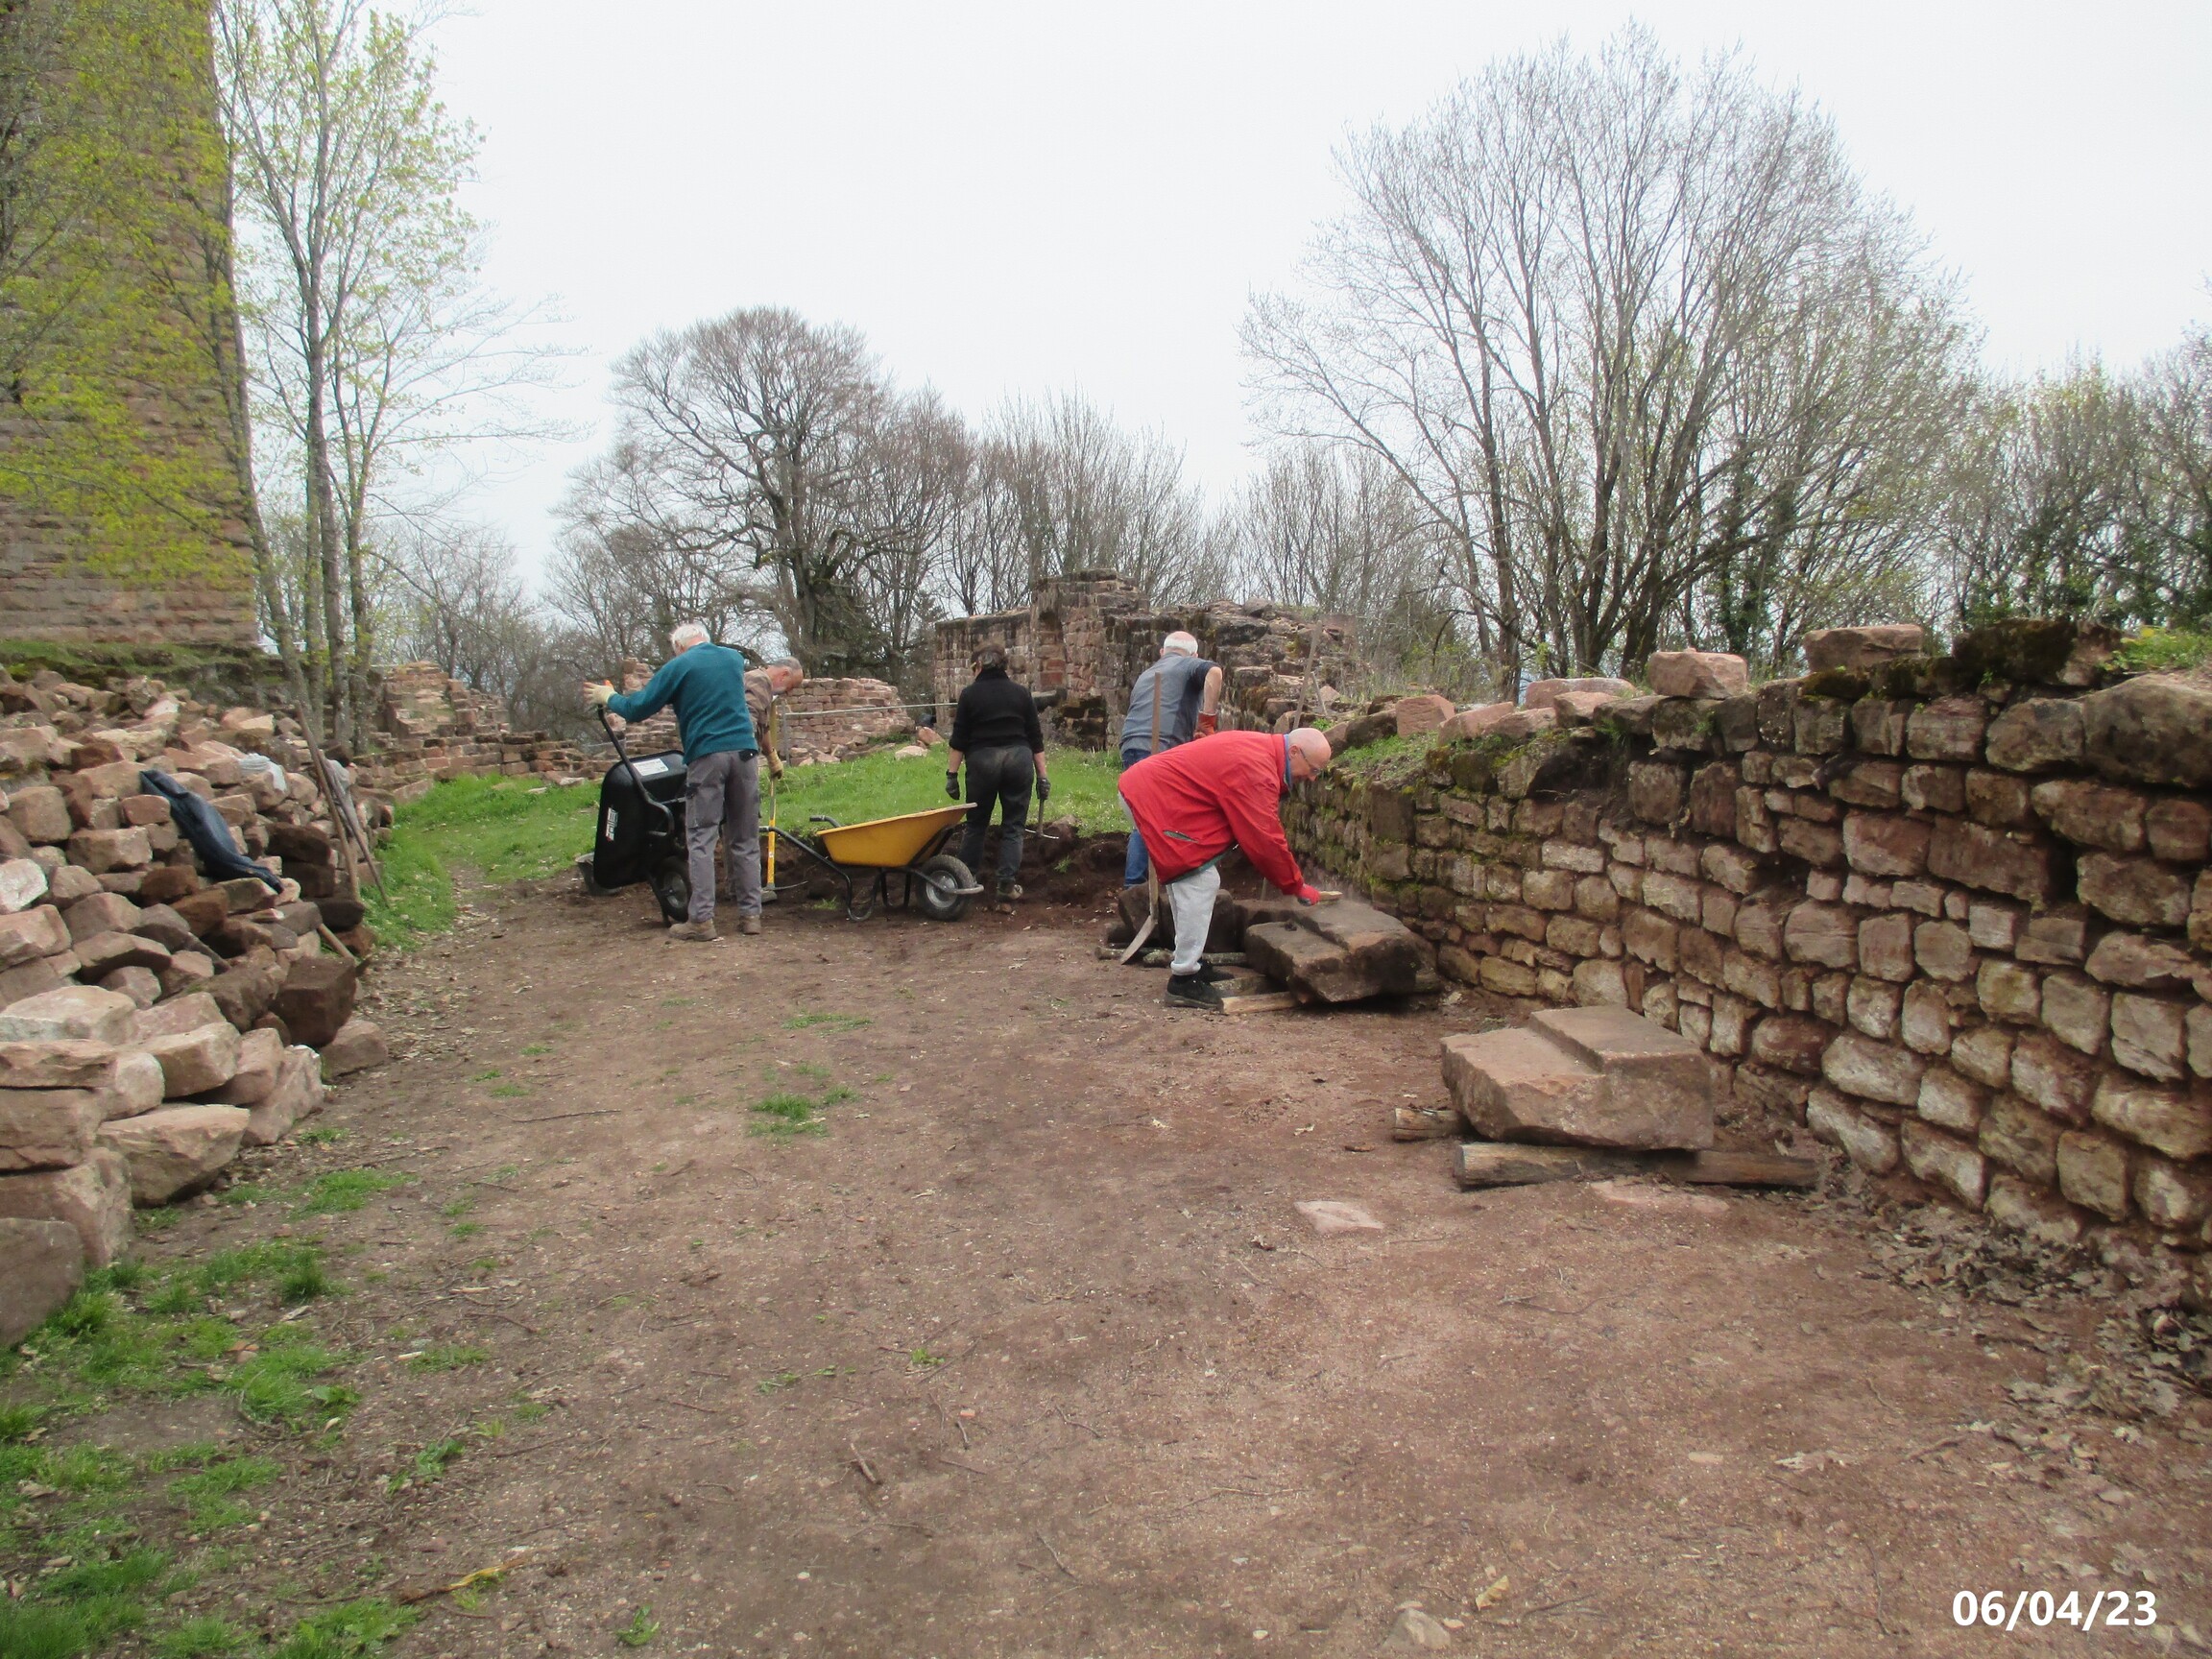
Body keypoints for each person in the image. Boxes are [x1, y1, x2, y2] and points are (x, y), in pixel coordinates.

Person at [585, 626, 796, 943]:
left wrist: (610, 698)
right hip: (745, 754)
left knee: (701, 838)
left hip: (707, 755)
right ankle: (751, 916)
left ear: (679, 647)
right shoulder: (733, 659)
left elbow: (638, 708)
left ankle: (701, 921)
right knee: (744, 838)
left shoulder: (679, 666)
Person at [1118, 727, 1336, 1010]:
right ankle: (1183, 980)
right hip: (1153, 797)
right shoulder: (1258, 770)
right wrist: (1295, 885)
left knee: (1190, 879)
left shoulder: (1262, 752)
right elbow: (1265, 839)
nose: (1313, 777)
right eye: (1314, 769)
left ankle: (1191, 965)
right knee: (1200, 880)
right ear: (1294, 752)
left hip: (1153, 792)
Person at [946, 642, 1049, 908]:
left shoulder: (969, 695)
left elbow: (959, 740)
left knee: (976, 825)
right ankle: (1005, 885)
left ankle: (964, 880)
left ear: (979, 665)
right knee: (1014, 826)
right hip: (1019, 760)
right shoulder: (1021, 693)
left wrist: (951, 775)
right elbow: (1035, 739)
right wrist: (1043, 776)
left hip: (983, 761)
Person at [1118, 631, 1223, 886]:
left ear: (1162, 652)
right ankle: (1138, 885)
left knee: (1146, 815)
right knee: (1151, 819)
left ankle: (1145, 883)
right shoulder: (1187, 664)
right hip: (1159, 747)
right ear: (1195, 655)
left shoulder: (1148, 673)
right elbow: (1215, 673)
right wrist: (1207, 720)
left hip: (1130, 744)